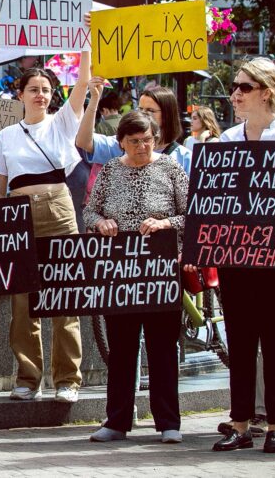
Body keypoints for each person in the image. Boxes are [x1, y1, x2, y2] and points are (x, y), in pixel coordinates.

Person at [197, 57, 275, 454]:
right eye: (234, 87)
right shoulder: (225, 142)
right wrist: (202, 246)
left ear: (267, 93)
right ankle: (240, 422)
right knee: (240, 338)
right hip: (235, 256)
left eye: (244, 87)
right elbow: (211, 203)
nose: (235, 94)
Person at [0, 47, 91, 404]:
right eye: (34, 89)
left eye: (46, 90)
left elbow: (81, 87)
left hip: (59, 211)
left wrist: (87, 47)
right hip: (18, 214)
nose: (40, 95)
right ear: (21, 95)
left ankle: (68, 380)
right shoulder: (5, 137)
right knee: (23, 301)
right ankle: (29, 378)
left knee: (65, 295)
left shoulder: (62, 122)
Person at [83, 110, 189, 444]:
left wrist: (165, 224)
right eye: (134, 141)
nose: (142, 147)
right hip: (121, 272)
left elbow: (192, 212)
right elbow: (89, 210)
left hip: (161, 269)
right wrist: (100, 223)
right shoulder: (111, 169)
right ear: (121, 143)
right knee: (123, 346)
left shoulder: (170, 167)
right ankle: (117, 419)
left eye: (147, 140)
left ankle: (168, 421)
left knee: (162, 347)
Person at [78, 82, 191, 174]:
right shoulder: (122, 145)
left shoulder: (184, 158)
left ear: (167, 115)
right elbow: (84, 141)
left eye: (150, 110)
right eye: (140, 109)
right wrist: (94, 100)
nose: (144, 115)